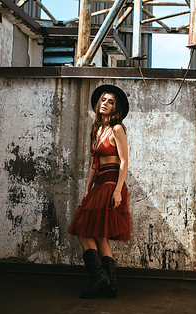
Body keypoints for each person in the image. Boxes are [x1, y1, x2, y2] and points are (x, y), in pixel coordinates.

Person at [67, 84, 132, 299]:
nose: (105, 103)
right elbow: (94, 164)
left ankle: (99, 277)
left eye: (110, 101)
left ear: (116, 108)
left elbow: (124, 162)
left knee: (85, 233)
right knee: (99, 236)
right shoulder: (97, 130)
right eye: (103, 100)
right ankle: (110, 285)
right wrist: (86, 189)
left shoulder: (117, 129)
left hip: (111, 183)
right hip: (99, 183)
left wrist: (118, 190)